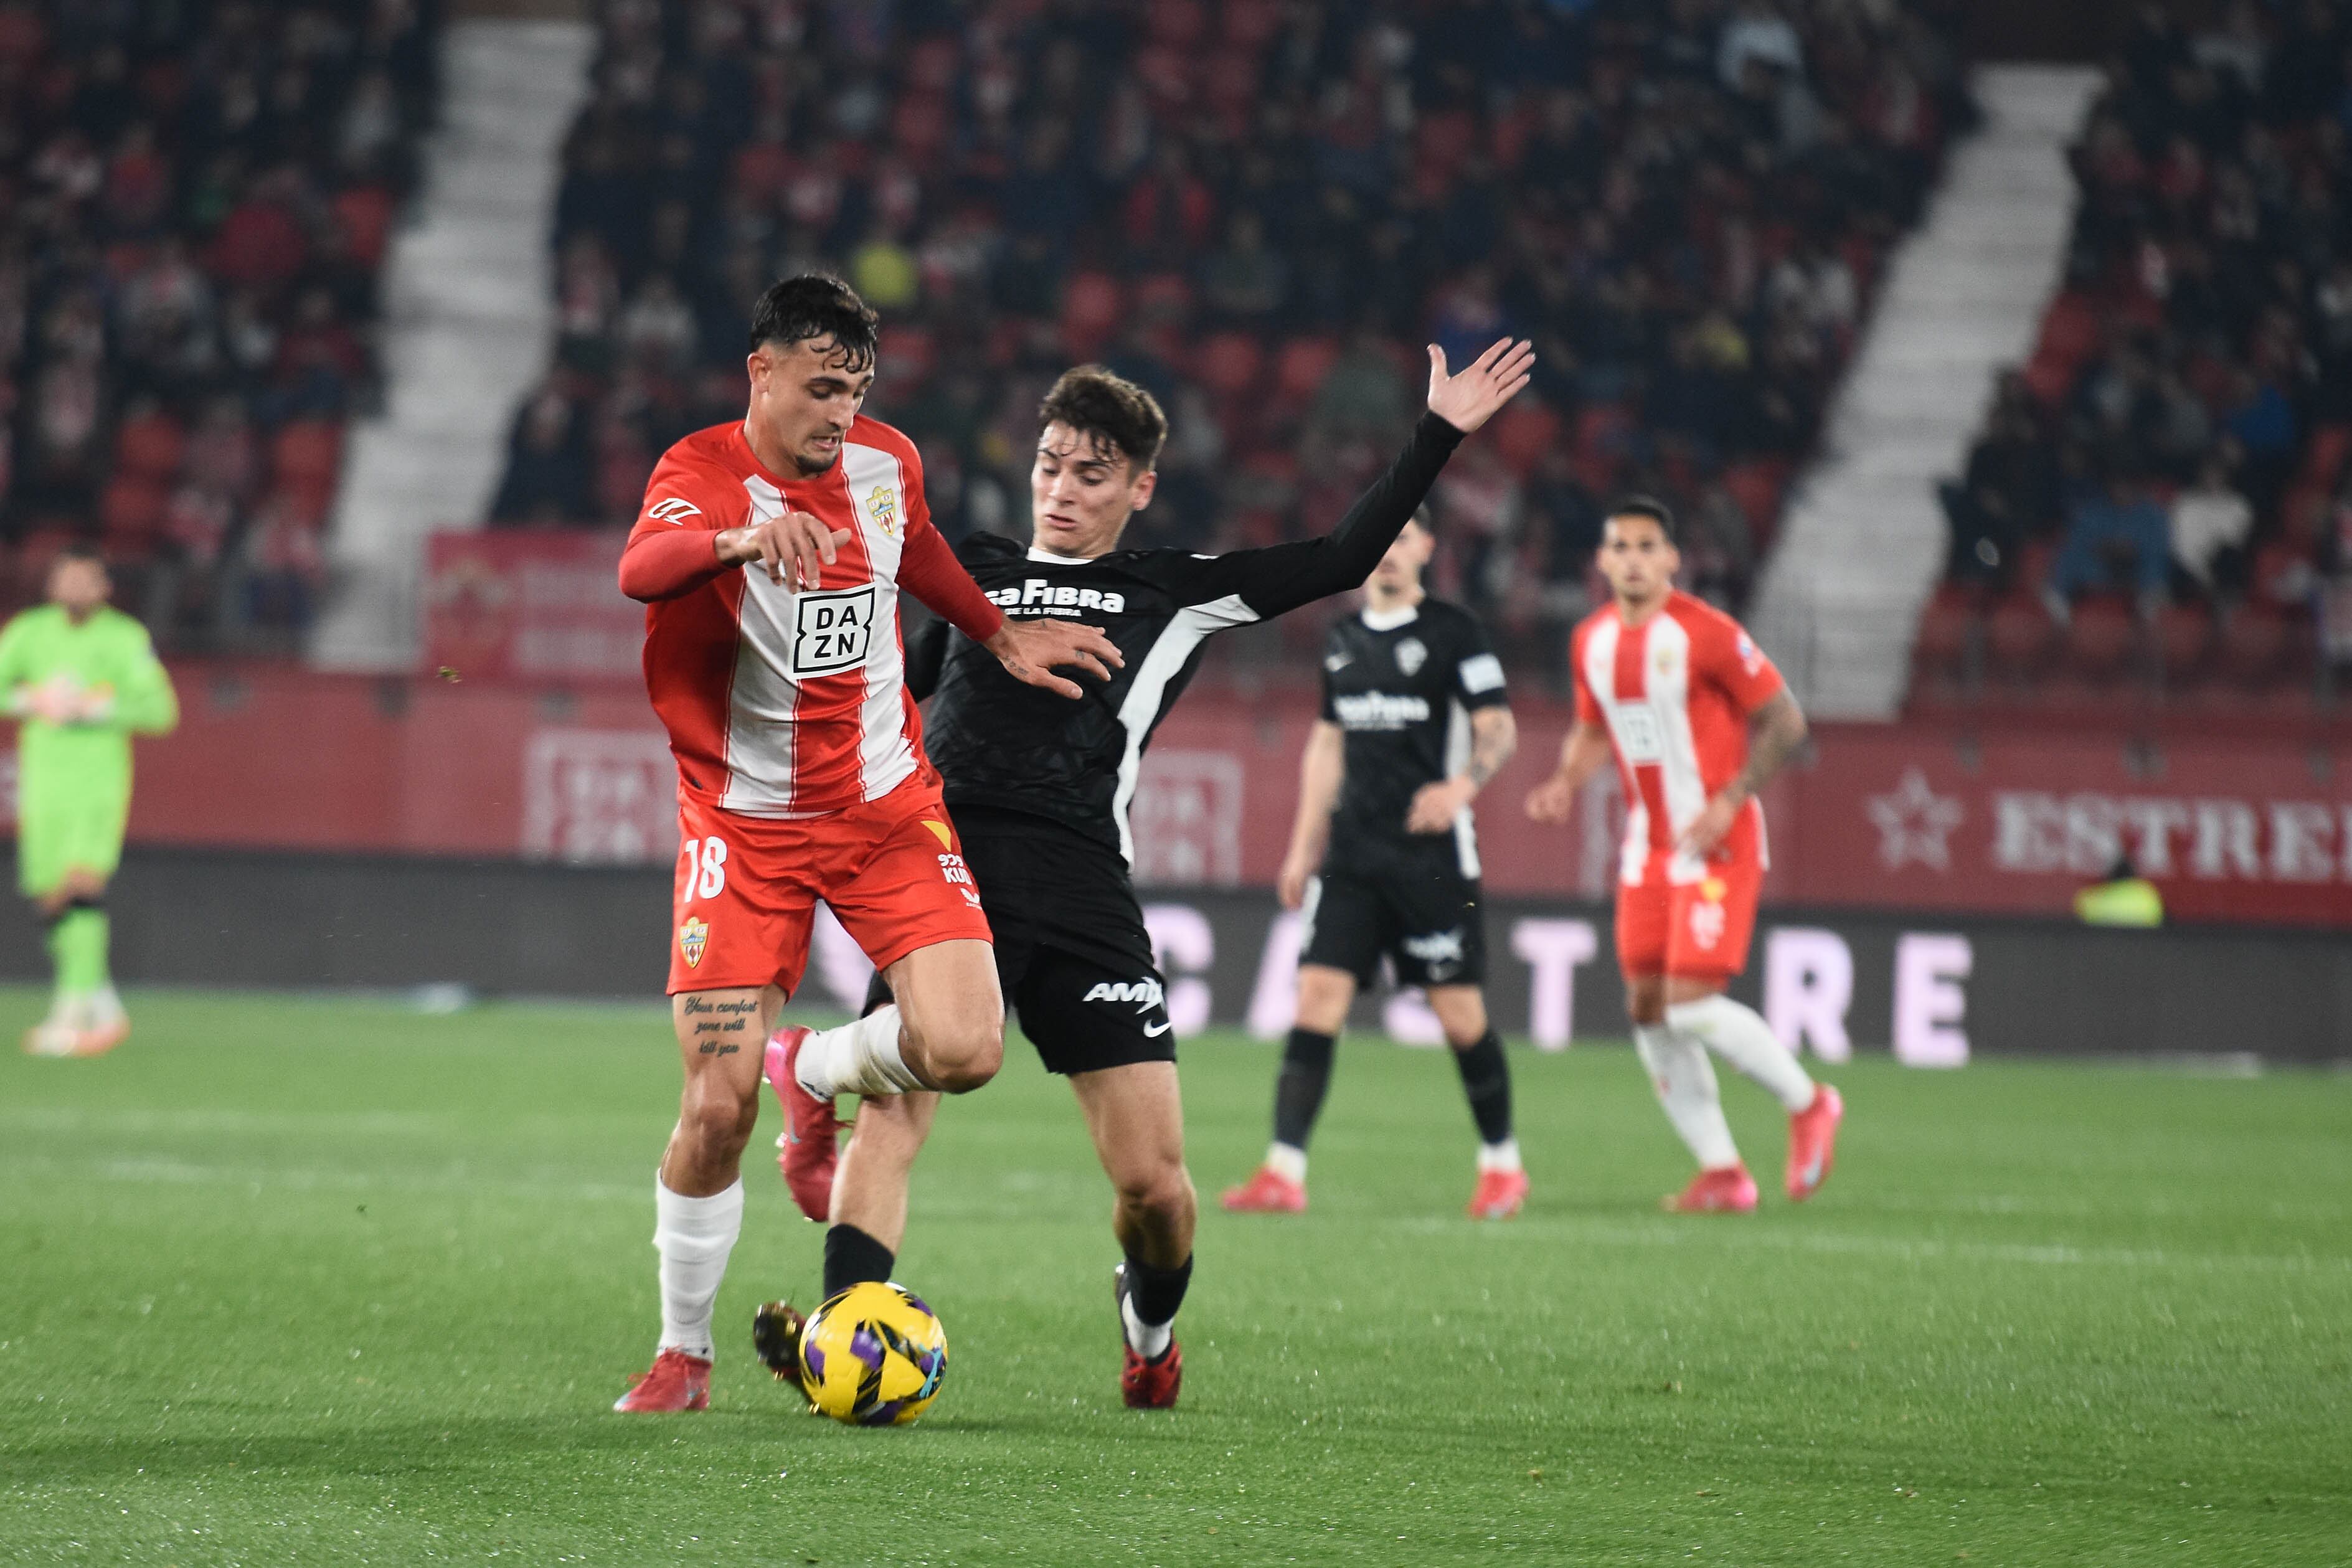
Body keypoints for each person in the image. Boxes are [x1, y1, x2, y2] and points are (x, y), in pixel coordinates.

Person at [759, 339, 1536, 1409]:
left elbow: (1340, 556)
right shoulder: (967, 574)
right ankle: (842, 1335)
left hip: (1083, 890)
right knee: (901, 1106)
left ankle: (1149, 1328)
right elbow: (892, 701)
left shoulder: (1173, 591)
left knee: (1155, 1187)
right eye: (1048, 464)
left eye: (1089, 472)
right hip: (947, 878)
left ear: (1137, 486)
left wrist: (1437, 430)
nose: (1061, 489)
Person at [608, 275, 1120, 1414]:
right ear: (762, 372)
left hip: (885, 808)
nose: (840, 411)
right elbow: (639, 570)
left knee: (968, 1047)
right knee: (713, 1109)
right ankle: (681, 1351)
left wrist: (997, 634)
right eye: (820, 386)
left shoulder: (886, 462)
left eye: (856, 388)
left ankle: (816, 1065)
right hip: (742, 829)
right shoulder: (695, 477)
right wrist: (741, 538)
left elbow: (919, 544)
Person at [1524, 498, 1841, 1214]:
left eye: (1647, 546)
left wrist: (1731, 797)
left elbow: (1787, 721)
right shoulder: (1591, 641)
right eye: (1620, 547)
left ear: (1672, 558)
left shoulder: (1707, 634)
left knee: (1691, 1006)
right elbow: (1593, 730)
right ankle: (1723, 1171)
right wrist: (1564, 783)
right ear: (1601, 561)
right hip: (1648, 847)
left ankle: (1810, 1101)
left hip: (1718, 842)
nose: (1633, 559)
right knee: (1647, 1009)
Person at [1221, 512, 1526, 1220]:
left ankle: (1503, 1164)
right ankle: (1283, 1170)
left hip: (1432, 858)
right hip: (1354, 856)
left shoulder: (1455, 633)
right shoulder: (1342, 638)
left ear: (1427, 548)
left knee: (1460, 1013)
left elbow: (1499, 726)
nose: (1388, 555)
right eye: (1378, 543)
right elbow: (1326, 747)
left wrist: (1462, 787)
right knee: (1316, 999)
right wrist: (1303, 846)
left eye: (1403, 541)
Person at [1, 543, 179, 1057]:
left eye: (87, 580)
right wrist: (28, 699)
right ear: (52, 585)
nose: (76, 589)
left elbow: (161, 712)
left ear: (104, 588)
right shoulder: (29, 633)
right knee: (50, 899)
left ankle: (69, 1016)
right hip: (43, 784)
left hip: (97, 783)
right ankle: (103, 1009)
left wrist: (97, 710)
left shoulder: (125, 639)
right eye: (68, 579)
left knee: (82, 886)